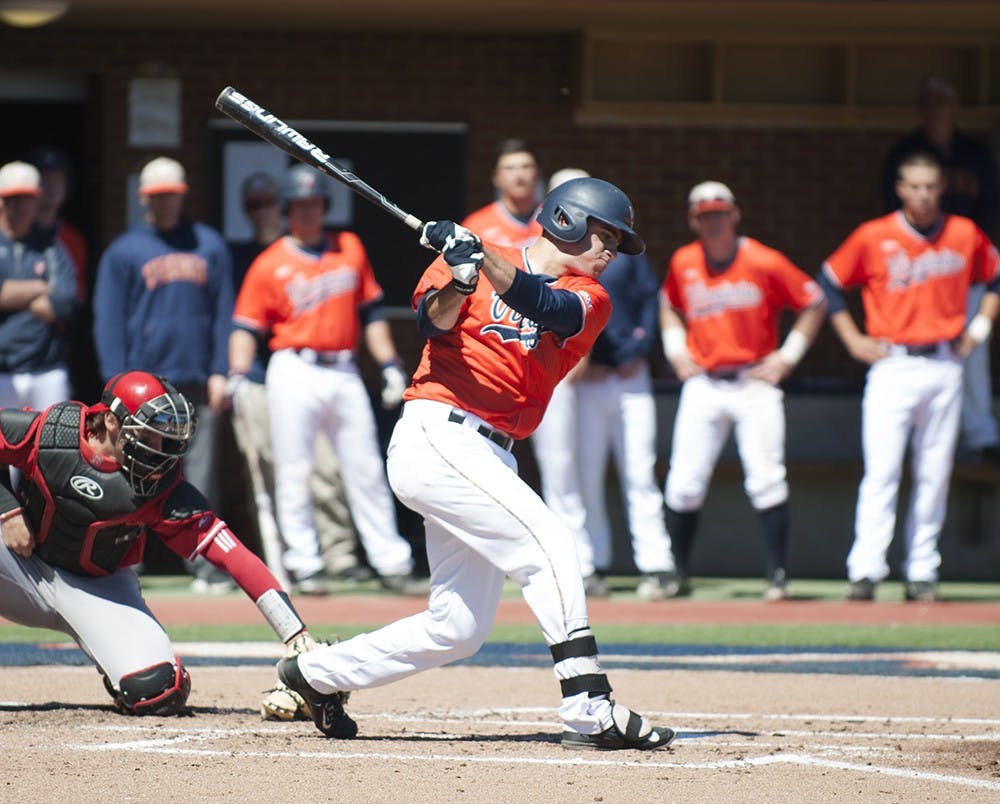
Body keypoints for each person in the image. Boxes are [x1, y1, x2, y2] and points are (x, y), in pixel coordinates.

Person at [273, 176, 675, 751]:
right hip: (438, 433)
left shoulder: (591, 297)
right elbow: (431, 321)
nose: (610, 251)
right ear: (565, 220)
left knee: (457, 628)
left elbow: (547, 306)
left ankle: (315, 675)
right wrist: (461, 279)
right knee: (551, 545)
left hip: (492, 455)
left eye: (617, 242)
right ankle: (589, 706)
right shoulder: (472, 261)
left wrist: (478, 254)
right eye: (603, 235)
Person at [0, 370, 322, 714]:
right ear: (110, 421)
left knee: (155, 692)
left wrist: (295, 634)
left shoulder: (165, 489)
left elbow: (233, 555)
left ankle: (115, 656)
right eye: (148, 436)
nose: (160, 452)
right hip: (22, 566)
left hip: (99, 588)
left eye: (166, 440)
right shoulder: (54, 433)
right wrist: (6, 509)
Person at [228, 164, 421, 595]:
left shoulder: (348, 247)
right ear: (286, 210)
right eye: (299, 205)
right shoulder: (270, 262)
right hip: (293, 368)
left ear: (325, 207)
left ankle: (391, 561)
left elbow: (370, 313)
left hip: (343, 369)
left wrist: (389, 363)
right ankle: (304, 561)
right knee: (295, 469)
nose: (308, 211)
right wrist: (238, 374)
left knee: (367, 467)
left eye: (314, 203)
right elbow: (244, 327)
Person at [821, 151, 1000, 603]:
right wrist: (851, 338)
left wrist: (979, 329)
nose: (923, 195)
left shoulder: (963, 232)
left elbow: (995, 276)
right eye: (915, 186)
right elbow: (828, 280)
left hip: (944, 360)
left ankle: (922, 569)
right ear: (901, 189)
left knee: (934, 471)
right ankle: (866, 570)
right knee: (881, 470)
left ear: (942, 188)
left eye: (930, 186)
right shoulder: (874, 234)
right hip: (891, 362)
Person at [660, 181, 827, 601]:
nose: (713, 223)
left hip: (754, 379)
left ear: (734, 215)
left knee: (767, 479)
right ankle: (677, 572)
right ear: (693, 220)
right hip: (704, 381)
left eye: (719, 214)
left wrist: (789, 355)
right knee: (684, 481)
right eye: (704, 216)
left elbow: (814, 300)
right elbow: (669, 304)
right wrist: (675, 349)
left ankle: (777, 574)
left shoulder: (763, 259)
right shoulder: (685, 260)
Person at [93, 156, 235, 592]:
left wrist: (220, 369)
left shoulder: (208, 244)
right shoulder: (124, 250)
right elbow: (108, 319)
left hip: (195, 379)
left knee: (201, 475)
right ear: (144, 199)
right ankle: (122, 563)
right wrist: (115, 381)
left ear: (182, 196)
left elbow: (224, 313)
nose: (166, 203)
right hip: (142, 391)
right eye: (158, 197)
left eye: (172, 196)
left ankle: (206, 566)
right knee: (129, 473)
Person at [541, 168, 677, 600]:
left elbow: (651, 302)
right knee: (584, 475)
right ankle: (588, 562)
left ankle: (656, 564)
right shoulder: (552, 262)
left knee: (639, 470)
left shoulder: (616, 254)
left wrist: (638, 348)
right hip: (586, 380)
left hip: (629, 378)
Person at [226, 172, 362, 591]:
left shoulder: (338, 248)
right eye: (257, 205)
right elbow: (236, 323)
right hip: (273, 375)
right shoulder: (241, 254)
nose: (264, 211)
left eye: (269, 202)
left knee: (336, 471)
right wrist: (235, 374)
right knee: (286, 473)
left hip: (322, 369)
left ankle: (342, 554)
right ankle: (301, 560)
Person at [881, 76, 1000, 462]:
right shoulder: (907, 151)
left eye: (944, 101)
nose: (938, 109)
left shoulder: (973, 153)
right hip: (919, 271)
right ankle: (918, 441)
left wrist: (975, 251)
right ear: (922, 108)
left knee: (973, 356)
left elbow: (990, 205)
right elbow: (889, 211)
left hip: (963, 266)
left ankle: (982, 436)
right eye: (931, 102)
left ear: (954, 107)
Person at [27, 146, 101, 404]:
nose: (51, 186)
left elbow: (70, 300)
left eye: (57, 179)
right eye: (44, 179)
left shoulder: (73, 240)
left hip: (57, 350)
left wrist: (21, 293)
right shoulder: (11, 236)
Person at [0, 161, 77, 411]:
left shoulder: (52, 248)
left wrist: (11, 293)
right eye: (13, 199)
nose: (21, 206)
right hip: (3, 369)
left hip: (47, 369)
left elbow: (63, 304)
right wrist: (42, 287)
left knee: (53, 446)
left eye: (28, 199)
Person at [461, 138, 543, 250]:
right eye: (509, 168)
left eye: (525, 166)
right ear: (496, 177)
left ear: (537, 173)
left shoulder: (556, 220)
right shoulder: (476, 226)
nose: (519, 175)